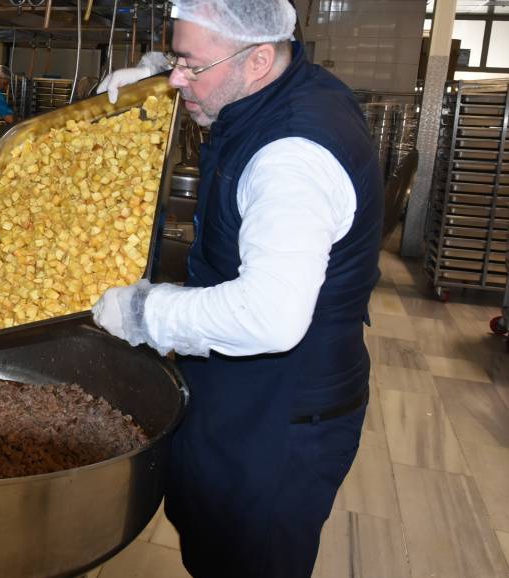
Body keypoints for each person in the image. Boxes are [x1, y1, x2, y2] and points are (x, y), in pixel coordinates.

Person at [92, 1, 383, 576]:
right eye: (178, 57)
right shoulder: (278, 81)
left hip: (282, 421)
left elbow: (270, 315)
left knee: (250, 559)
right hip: (243, 396)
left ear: (258, 61)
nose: (179, 80)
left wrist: (145, 312)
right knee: (211, 542)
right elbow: (210, 58)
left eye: (190, 67)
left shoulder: (291, 160)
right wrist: (160, 69)